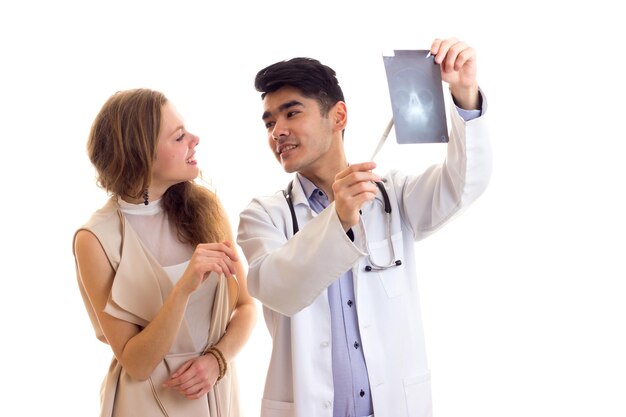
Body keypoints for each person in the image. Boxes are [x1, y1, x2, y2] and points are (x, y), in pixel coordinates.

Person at [236, 37, 492, 417]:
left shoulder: (393, 196)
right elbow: (277, 288)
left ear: (338, 116)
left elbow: (463, 185)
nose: (278, 131)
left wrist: (464, 94)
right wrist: (337, 218)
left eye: (291, 113)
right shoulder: (264, 215)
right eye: (270, 121)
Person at [73, 88, 256, 417]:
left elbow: (245, 306)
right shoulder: (94, 239)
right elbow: (137, 363)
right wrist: (184, 286)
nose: (195, 139)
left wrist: (217, 360)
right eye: (179, 136)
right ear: (141, 154)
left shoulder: (206, 207)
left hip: (216, 393)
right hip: (145, 403)